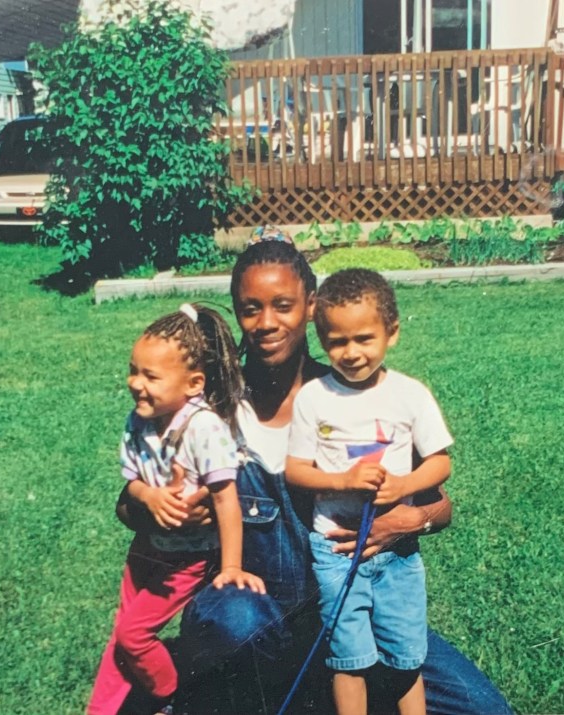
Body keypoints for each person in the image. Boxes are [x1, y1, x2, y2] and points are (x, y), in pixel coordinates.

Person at [116, 238, 514, 715]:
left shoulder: (354, 397)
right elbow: (127, 502)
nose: (266, 323)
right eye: (250, 309)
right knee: (236, 620)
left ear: (310, 306)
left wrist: (406, 522)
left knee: (483, 708)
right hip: (256, 614)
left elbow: (440, 504)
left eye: (282, 306)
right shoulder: (211, 408)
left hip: (355, 605)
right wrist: (157, 507)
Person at [285, 268, 451, 715]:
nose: (352, 353)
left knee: (406, 656)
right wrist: (340, 480)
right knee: (348, 658)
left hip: (398, 554)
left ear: (391, 333)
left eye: (364, 338)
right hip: (336, 551)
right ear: (321, 339)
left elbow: (440, 461)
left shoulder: (409, 395)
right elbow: (296, 471)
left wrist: (404, 485)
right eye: (337, 341)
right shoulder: (314, 398)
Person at [87, 304, 266, 715]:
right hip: (147, 549)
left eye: (151, 376)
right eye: (134, 370)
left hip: (184, 560)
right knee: (123, 634)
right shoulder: (139, 420)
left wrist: (231, 566)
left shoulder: (204, 428)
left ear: (193, 383)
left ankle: (168, 695)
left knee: (134, 636)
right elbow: (132, 483)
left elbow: (226, 499)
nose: (136, 383)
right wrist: (148, 497)